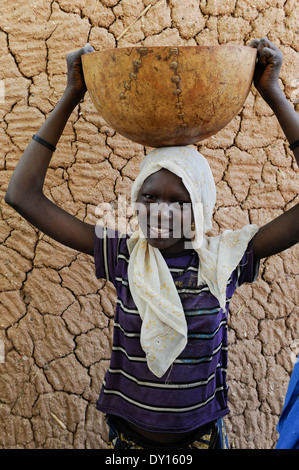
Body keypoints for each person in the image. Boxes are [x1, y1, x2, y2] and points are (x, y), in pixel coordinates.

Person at [4, 38, 299, 449]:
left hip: (201, 442)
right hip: (129, 444)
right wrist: (72, 93)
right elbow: (22, 195)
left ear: (201, 208)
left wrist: (274, 93)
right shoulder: (125, 256)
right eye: (149, 197)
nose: (160, 212)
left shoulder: (226, 259)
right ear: (135, 199)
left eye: (179, 202)